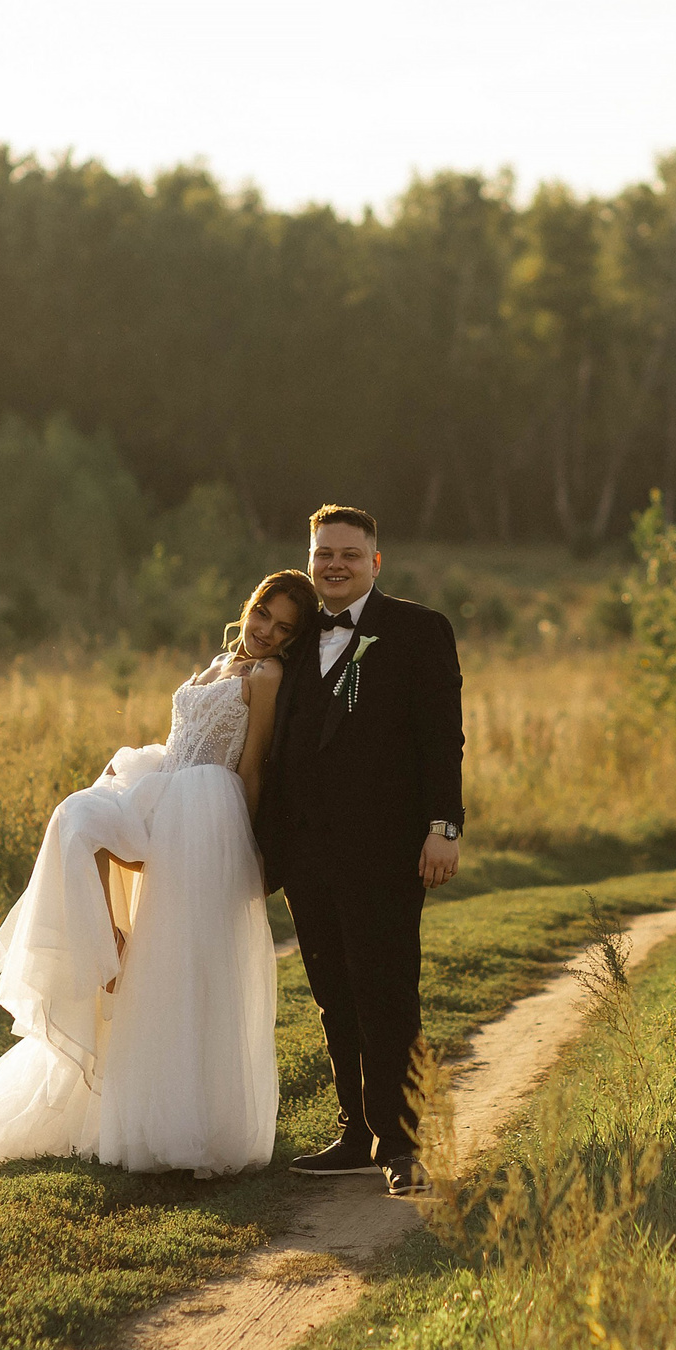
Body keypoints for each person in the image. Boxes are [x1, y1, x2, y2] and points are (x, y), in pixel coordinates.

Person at [0, 571, 320, 1182]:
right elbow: (182, 739)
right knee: (77, 818)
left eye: (283, 628)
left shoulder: (264, 677)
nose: (266, 631)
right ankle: (106, 939)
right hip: (167, 784)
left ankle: (180, 1117)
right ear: (250, 607)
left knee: (178, 963)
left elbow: (251, 768)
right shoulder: (221, 662)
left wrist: (248, 849)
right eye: (263, 614)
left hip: (206, 812)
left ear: (293, 639)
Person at [257, 505, 465, 1197]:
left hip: (386, 853)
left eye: (349, 554)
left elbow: (443, 738)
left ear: (375, 562)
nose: (335, 565)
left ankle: (402, 1146)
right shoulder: (297, 636)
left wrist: (445, 826)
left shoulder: (418, 630)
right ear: (310, 560)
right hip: (305, 855)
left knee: (386, 995)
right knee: (333, 998)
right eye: (324, 554)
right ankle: (355, 1135)